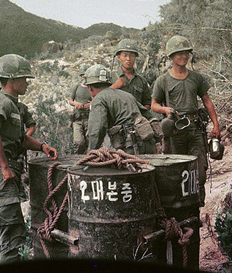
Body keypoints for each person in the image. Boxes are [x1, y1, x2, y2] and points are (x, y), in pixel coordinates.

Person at [0, 54, 57, 265]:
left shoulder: (13, 105)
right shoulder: (1, 102)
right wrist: (4, 166)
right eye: (24, 78)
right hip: (1, 174)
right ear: (12, 80)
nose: (27, 83)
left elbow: (19, 139)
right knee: (12, 232)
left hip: (0, 173)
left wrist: (42, 146)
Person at [151, 35, 221, 206]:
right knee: (176, 170)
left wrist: (216, 124)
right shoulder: (163, 81)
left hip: (195, 129)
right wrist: (165, 109)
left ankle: (197, 205)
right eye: (178, 53)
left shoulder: (197, 77)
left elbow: (207, 100)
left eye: (185, 53)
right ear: (171, 56)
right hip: (175, 131)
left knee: (199, 170)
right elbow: (153, 104)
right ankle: (178, 208)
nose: (183, 56)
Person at [85, 64, 156, 155]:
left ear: (90, 87)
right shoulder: (126, 95)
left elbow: (98, 128)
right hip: (148, 144)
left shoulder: (98, 100)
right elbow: (147, 114)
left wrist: (92, 150)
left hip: (129, 147)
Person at [110, 38, 152, 110]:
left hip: (137, 119)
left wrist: (141, 113)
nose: (128, 59)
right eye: (125, 55)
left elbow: (147, 103)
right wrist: (114, 87)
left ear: (135, 58)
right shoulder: (110, 77)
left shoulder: (141, 81)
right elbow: (100, 98)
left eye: (131, 55)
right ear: (119, 57)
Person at [68, 64, 91, 154]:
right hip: (77, 119)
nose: (85, 78)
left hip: (89, 118)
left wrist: (91, 105)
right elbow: (70, 101)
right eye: (83, 76)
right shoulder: (77, 87)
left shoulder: (92, 87)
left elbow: (98, 100)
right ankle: (77, 160)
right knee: (78, 142)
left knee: (91, 142)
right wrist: (76, 104)